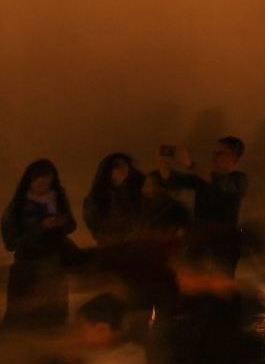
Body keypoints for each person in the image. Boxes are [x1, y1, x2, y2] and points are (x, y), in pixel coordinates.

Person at [2, 159, 79, 330]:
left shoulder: (57, 199)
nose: (44, 189)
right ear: (29, 182)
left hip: (54, 266)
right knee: (24, 320)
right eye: (40, 184)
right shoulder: (17, 207)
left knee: (53, 319)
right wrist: (41, 228)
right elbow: (11, 243)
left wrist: (61, 222)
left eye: (48, 184)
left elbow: (72, 225)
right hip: (27, 268)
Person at [159, 136, 249, 274]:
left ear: (233, 156)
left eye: (219, 153)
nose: (214, 157)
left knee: (220, 285)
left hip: (223, 244)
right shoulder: (204, 178)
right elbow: (169, 177)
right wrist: (161, 156)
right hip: (200, 241)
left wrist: (190, 165)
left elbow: (221, 183)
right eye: (214, 153)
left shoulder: (239, 180)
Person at [83, 153, 144, 248]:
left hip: (132, 242)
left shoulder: (135, 190)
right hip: (108, 242)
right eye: (117, 166)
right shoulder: (97, 196)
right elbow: (93, 219)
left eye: (125, 165)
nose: (123, 169)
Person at [73, 292, 146, 364]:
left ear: (102, 329)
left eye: (83, 330)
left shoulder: (123, 359)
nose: (79, 334)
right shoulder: (100, 349)